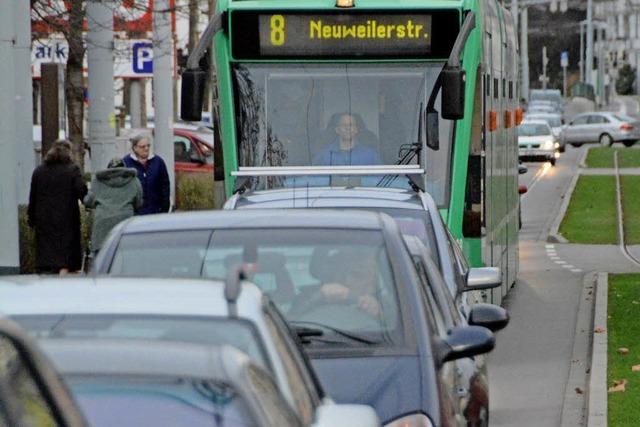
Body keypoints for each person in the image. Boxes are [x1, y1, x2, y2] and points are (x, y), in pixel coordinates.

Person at [28, 139, 88, 274]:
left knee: (47, 258)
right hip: (67, 222)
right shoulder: (72, 169)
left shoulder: (39, 171)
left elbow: (33, 197)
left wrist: (31, 220)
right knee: (65, 259)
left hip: (44, 222)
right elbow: (81, 191)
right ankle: (62, 279)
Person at [84, 157, 143, 253]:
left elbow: (88, 201)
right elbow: (139, 202)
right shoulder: (133, 180)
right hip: (125, 223)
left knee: (101, 258)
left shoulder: (98, 181)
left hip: (102, 225)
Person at [123, 134, 170, 215]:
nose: (146, 148)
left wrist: (164, 209)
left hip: (156, 212)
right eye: (143, 146)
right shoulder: (125, 163)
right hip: (134, 214)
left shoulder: (158, 162)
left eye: (148, 146)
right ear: (134, 148)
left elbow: (165, 185)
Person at [312, 113, 383, 166]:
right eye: (343, 125)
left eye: (351, 125)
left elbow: (381, 179)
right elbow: (312, 179)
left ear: (356, 129)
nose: (348, 128)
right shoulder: (324, 155)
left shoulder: (370, 155)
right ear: (337, 130)